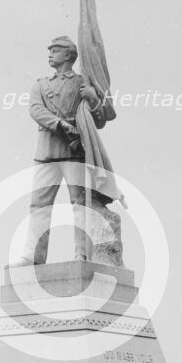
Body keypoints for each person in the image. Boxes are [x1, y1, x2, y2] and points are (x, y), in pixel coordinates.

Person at [11, 36, 107, 266]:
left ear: (68, 55)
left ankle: (82, 254)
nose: (50, 54)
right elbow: (35, 110)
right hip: (47, 151)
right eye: (50, 50)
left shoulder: (83, 84)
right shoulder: (41, 84)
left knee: (80, 204)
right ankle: (33, 255)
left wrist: (93, 99)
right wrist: (59, 123)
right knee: (39, 205)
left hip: (74, 151)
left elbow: (101, 119)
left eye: (55, 50)